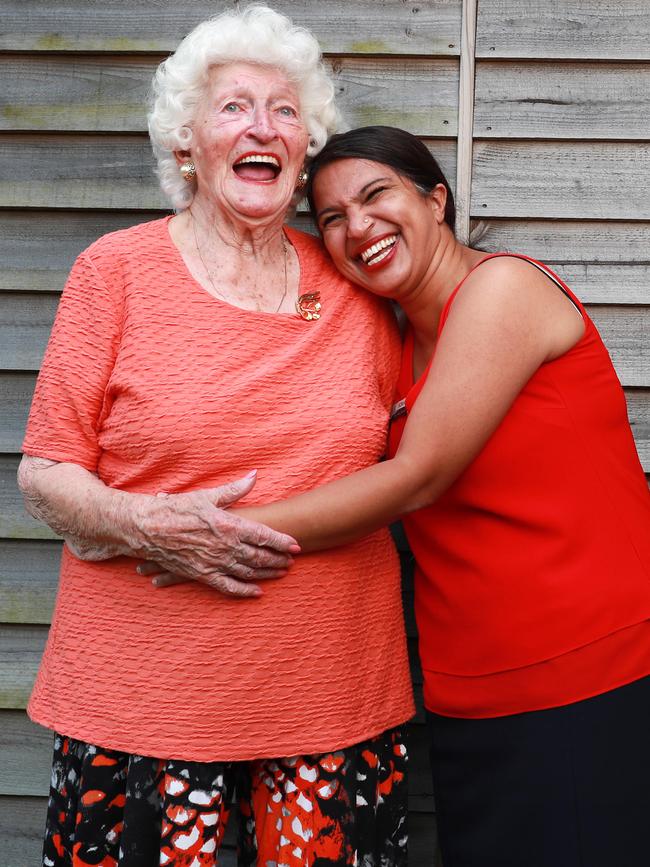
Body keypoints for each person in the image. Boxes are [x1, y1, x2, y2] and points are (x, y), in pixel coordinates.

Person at [149, 125, 649, 867]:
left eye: (376, 195)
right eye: (332, 218)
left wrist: (213, 532)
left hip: (580, 672)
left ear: (436, 200)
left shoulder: (502, 288)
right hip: (469, 687)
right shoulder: (394, 339)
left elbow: (417, 476)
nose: (359, 227)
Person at [17, 16, 414, 865]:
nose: (262, 127)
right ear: (186, 144)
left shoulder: (357, 285)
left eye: (283, 110)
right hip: (141, 701)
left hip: (328, 695)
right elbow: (47, 470)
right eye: (234, 107)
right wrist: (147, 523)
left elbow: (425, 449)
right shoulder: (113, 272)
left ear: (304, 147)